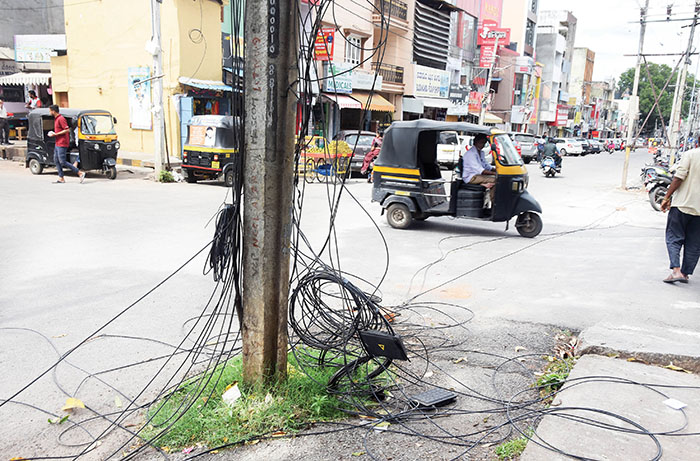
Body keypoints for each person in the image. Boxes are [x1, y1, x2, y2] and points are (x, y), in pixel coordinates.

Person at [661, 148, 699, 283]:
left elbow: (678, 178)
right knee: (694, 242)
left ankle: (676, 271)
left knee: (673, 237)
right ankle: (685, 273)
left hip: (682, 204)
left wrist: (666, 197)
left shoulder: (690, 154)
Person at [48, 105, 85, 183]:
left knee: (62, 161)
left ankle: (79, 172)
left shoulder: (61, 119)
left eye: (50, 111)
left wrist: (56, 134)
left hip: (62, 143)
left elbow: (67, 130)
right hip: (57, 142)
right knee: (56, 160)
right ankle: (61, 177)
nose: (49, 112)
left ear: (53, 111)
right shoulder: (56, 119)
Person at [461, 133, 496, 207]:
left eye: (484, 143)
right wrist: (494, 174)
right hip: (471, 177)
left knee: (497, 178)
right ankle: (494, 204)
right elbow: (481, 170)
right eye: (481, 143)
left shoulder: (481, 153)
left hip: (478, 175)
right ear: (476, 142)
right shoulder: (471, 154)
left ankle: (489, 199)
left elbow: (486, 165)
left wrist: (495, 170)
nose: (483, 145)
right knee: (495, 180)